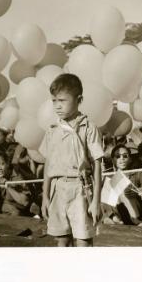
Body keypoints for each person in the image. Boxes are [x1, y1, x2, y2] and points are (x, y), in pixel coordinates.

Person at [40, 73, 104, 247]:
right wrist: (45, 196)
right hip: (58, 189)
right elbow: (48, 165)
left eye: (62, 100)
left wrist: (96, 201)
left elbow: (98, 166)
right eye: (54, 101)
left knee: (83, 241)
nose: (57, 106)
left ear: (79, 99)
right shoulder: (52, 130)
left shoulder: (89, 128)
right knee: (62, 240)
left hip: (81, 190)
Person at [102, 144, 142, 225]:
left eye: (125, 156)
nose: (122, 159)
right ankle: (115, 219)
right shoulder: (109, 177)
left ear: (130, 159)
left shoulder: (137, 173)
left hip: (137, 212)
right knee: (109, 186)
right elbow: (105, 200)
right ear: (113, 160)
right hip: (119, 215)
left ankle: (140, 221)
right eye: (118, 156)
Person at [0, 148, 33, 216]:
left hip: (20, 209)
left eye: (1, 164)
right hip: (3, 206)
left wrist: (7, 187)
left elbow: (25, 201)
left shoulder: (16, 175)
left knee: (16, 212)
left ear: (7, 163)